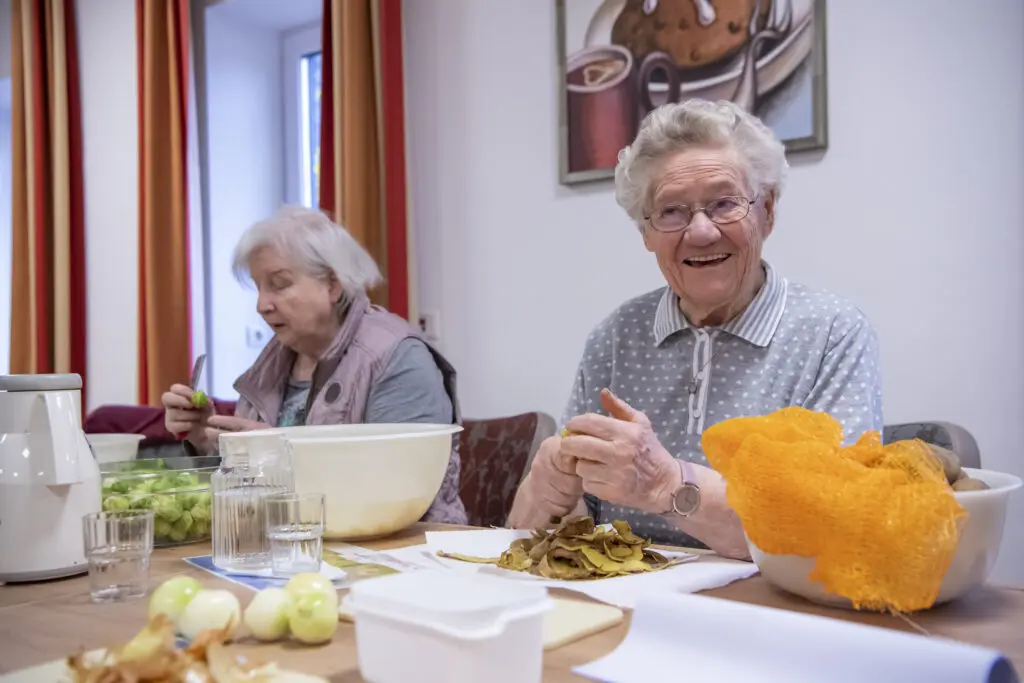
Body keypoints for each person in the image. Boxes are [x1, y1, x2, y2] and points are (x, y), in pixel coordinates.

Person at [508, 99, 882, 558]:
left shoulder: (831, 335)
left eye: (725, 203)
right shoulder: (616, 338)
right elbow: (552, 534)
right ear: (646, 233)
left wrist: (667, 484)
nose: (701, 232)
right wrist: (549, 493)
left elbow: (833, 527)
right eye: (671, 211)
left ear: (766, 210)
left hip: (773, 611)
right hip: (630, 610)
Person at [162, 206, 467, 524]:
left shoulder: (398, 359)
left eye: (279, 284)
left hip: (399, 556)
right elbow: (244, 492)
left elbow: (399, 494)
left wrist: (280, 452)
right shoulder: (272, 362)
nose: (262, 306)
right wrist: (201, 437)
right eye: (258, 288)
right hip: (290, 551)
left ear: (332, 285)